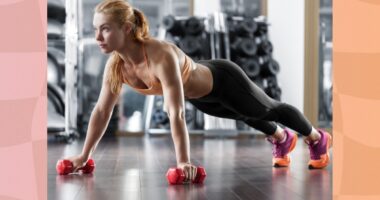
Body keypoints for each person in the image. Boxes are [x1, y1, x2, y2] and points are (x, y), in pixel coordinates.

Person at [65, 0, 332, 181]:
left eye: (105, 29)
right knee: (243, 114)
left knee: (266, 108)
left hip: (223, 79)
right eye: (95, 30)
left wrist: (183, 162)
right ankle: (281, 138)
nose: (98, 37)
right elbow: (102, 111)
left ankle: (316, 137)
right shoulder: (116, 66)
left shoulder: (160, 55)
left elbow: (176, 113)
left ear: (126, 28)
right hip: (201, 97)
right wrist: (84, 156)